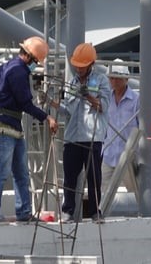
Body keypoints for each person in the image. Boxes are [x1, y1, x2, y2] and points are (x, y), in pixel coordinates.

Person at [0, 36, 58, 223]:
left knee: (21, 172)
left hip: (9, 126)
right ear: (30, 58)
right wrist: (47, 116)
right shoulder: (18, 72)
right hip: (5, 128)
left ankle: (24, 212)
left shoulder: (6, 66)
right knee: (4, 172)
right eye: (36, 62)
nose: (35, 66)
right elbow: (26, 103)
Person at [50, 43, 111, 223]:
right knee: (69, 177)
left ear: (91, 64)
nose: (79, 68)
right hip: (72, 137)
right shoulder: (72, 82)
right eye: (77, 65)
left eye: (82, 65)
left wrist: (89, 96)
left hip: (93, 137)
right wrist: (51, 103)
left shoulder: (101, 80)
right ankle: (68, 211)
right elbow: (67, 110)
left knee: (93, 177)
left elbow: (104, 106)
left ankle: (95, 212)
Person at [101, 59, 140, 199]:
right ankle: (103, 218)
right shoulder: (107, 98)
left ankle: (140, 217)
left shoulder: (136, 100)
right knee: (104, 193)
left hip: (128, 155)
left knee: (135, 193)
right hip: (109, 154)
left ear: (126, 79)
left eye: (117, 78)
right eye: (111, 78)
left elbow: (142, 127)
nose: (114, 81)